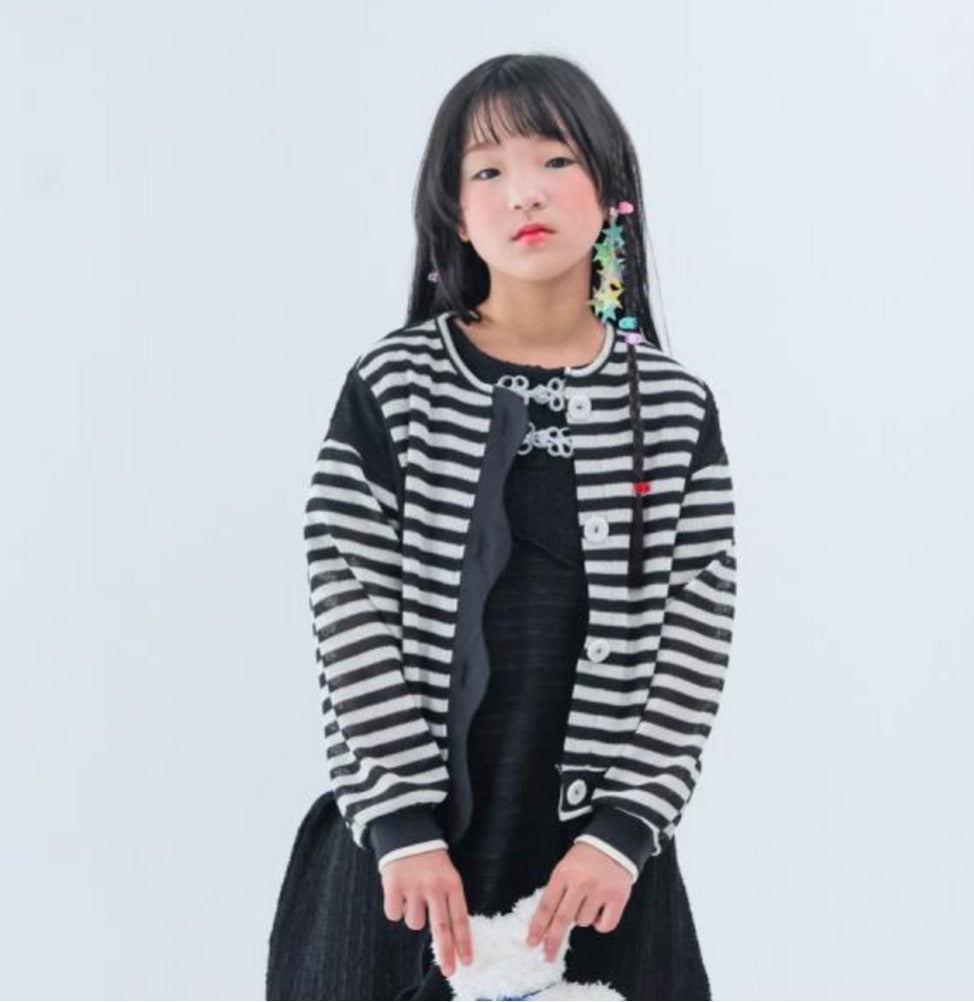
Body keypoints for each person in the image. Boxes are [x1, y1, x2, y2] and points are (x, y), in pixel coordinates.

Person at [267, 52, 738, 1001]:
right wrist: (401, 824)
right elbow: (349, 610)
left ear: (611, 189)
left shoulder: (674, 407)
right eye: (487, 170)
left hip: (595, 878)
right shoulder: (395, 387)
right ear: (453, 212)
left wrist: (623, 831)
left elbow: (696, 636)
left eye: (555, 159)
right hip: (406, 869)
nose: (524, 191)